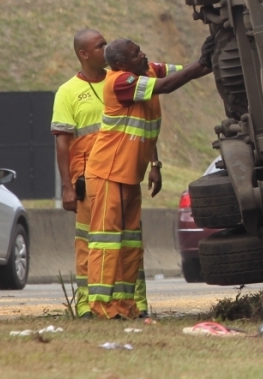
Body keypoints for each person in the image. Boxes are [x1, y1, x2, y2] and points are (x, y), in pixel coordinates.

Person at [84, 37, 212, 319]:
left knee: (130, 244)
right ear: (121, 64)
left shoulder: (147, 70)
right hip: (107, 173)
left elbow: (181, 73)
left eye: (140, 50)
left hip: (129, 175)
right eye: (135, 53)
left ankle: (124, 304)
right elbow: (166, 86)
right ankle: (101, 306)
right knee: (106, 242)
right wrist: (202, 63)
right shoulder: (121, 82)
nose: (143, 55)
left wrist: (210, 60)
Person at [50, 29, 116, 318]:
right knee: (88, 242)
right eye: (100, 46)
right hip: (86, 180)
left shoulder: (118, 82)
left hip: (119, 176)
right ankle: (87, 305)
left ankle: (122, 303)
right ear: (84, 54)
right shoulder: (67, 92)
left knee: (121, 242)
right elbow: (62, 143)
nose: (106, 49)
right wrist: (67, 186)